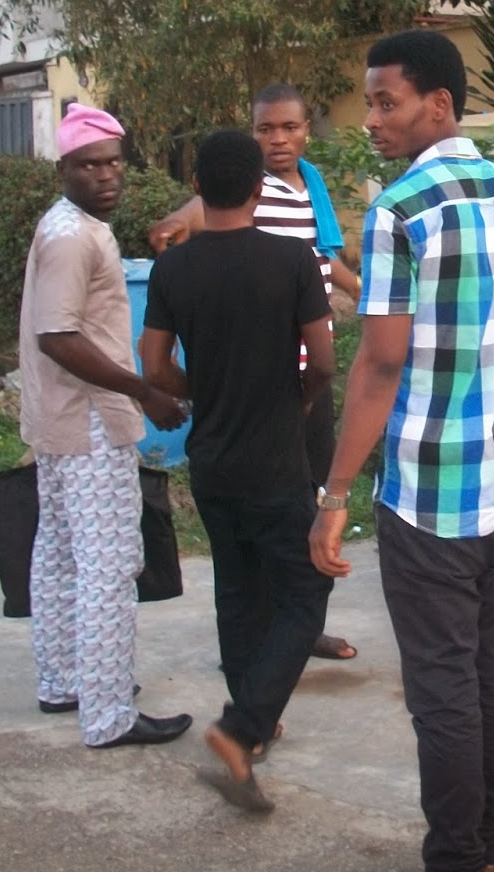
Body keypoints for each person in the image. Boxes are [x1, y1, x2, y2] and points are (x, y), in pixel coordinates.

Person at [309, 30, 494, 872]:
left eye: (387, 103)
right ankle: (490, 846)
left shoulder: (402, 210)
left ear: (440, 104)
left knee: (443, 689)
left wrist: (335, 494)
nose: (372, 120)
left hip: (428, 497)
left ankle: (457, 855)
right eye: (371, 103)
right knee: (491, 671)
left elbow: (381, 363)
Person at [139, 128, 336, 812]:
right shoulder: (291, 260)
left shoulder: (173, 271)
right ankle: (243, 725)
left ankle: (252, 720)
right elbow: (324, 359)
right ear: (258, 187)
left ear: (197, 187)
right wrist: (299, 396)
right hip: (277, 460)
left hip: (214, 461)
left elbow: (154, 365)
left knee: (237, 589)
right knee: (305, 592)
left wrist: (200, 389)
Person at [148, 83, 360, 663]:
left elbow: (323, 258)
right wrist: (175, 222)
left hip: (311, 376)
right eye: (266, 129)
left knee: (313, 501)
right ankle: (267, 638)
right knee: (269, 514)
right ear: (253, 134)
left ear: (306, 130)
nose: (278, 139)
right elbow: (196, 212)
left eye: (289, 127)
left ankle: (301, 627)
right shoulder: (248, 187)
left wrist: (363, 291)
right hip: (267, 383)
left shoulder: (310, 184)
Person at [18, 102, 192, 750]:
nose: (106, 175)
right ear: (63, 169)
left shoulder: (72, 225)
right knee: (109, 567)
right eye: (89, 165)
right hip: (88, 421)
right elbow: (58, 336)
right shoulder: (73, 237)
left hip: (62, 418)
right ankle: (108, 713)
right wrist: (144, 392)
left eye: (113, 163)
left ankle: (66, 682)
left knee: (60, 555)